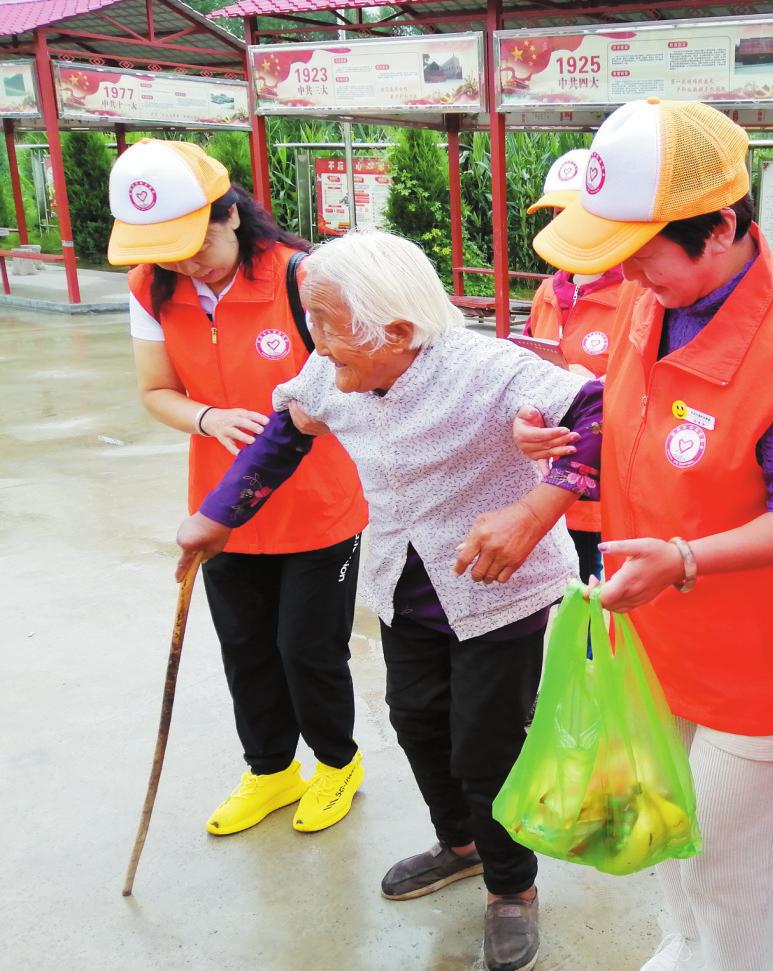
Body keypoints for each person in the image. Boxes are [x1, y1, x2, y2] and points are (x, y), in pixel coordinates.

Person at [478, 98, 773, 971]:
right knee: (661, 819)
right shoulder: (650, 300)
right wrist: (564, 437)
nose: (623, 271)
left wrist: (682, 558)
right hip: (660, 635)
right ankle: (684, 946)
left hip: (760, 664)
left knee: (730, 867)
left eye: (639, 248)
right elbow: (621, 410)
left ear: (720, 226)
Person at [174, 229, 597, 971]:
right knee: (416, 720)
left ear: (397, 332)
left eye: (326, 324)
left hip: (499, 589)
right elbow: (284, 435)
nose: (313, 340)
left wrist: (534, 512)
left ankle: (511, 885)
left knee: (487, 747)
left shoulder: (486, 369)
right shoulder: (332, 371)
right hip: (405, 583)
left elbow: (600, 415)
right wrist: (218, 516)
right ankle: (461, 844)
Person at [108, 139, 369, 836]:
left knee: (308, 650)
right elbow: (155, 390)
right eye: (165, 252)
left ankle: (337, 764)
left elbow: (351, 382)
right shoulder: (151, 288)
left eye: (194, 245)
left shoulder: (302, 278)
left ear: (230, 214)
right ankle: (270, 770)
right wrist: (208, 417)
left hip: (319, 508)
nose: (184, 264)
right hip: (222, 510)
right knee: (246, 648)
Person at [521, 148, 639, 582]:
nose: (564, 228)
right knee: (561, 582)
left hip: (605, 479)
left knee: (599, 582)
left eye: (576, 215)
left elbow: (652, 384)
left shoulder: (638, 293)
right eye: (556, 215)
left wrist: (598, 385)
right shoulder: (547, 293)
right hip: (548, 470)